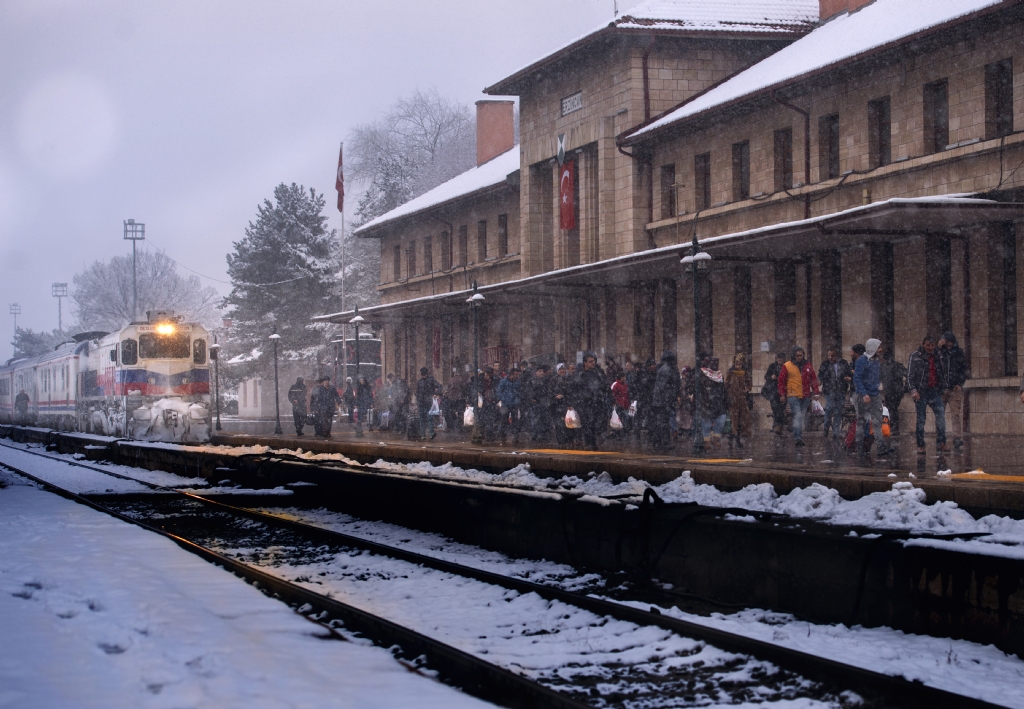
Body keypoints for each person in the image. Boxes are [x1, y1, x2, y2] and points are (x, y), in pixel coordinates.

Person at [907, 336, 948, 455]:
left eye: (932, 345)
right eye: (928, 345)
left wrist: (943, 387)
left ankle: (941, 442)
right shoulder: (915, 356)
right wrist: (913, 390)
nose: (930, 348)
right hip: (921, 392)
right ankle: (920, 445)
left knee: (941, 418)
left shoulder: (938, 355)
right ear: (923, 344)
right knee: (921, 419)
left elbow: (942, 371)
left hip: (934, 391)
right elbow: (910, 375)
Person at [853, 339, 893, 456]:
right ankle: (859, 446)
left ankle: (881, 446)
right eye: (878, 347)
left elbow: (875, 377)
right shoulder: (862, 361)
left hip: (874, 394)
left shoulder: (876, 361)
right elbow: (857, 378)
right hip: (862, 395)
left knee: (877, 421)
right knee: (861, 420)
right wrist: (864, 393)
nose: (880, 350)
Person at [777, 347, 819, 447]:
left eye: (801, 355)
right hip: (793, 394)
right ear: (793, 356)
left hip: (805, 395)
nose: (799, 357)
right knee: (798, 415)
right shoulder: (787, 366)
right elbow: (781, 381)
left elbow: (813, 379)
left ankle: (798, 436)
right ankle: (798, 438)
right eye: (797, 355)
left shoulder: (807, 365)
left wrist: (816, 391)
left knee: (800, 416)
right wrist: (782, 394)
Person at [574, 351, 610, 451]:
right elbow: (574, 388)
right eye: (590, 361)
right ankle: (588, 443)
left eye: (593, 361)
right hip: (584, 403)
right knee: (587, 424)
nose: (593, 363)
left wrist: (608, 397)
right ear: (585, 363)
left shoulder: (598, 372)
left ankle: (593, 443)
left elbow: (605, 385)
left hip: (597, 403)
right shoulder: (580, 374)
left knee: (595, 424)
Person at [939, 332, 968, 450]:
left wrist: (960, 383)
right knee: (940, 415)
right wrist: (939, 347)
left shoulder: (958, 353)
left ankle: (956, 438)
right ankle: (940, 438)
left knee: (955, 414)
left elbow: (964, 369)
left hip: (954, 388)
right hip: (941, 388)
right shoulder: (940, 352)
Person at [649, 351, 681, 450]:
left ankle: (657, 441)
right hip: (663, 402)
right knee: (663, 423)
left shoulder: (667, 369)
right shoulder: (667, 370)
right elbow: (664, 387)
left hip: (662, 401)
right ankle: (663, 442)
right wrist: (670, 399)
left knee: (662, 422)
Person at [817, 348, 851, 439]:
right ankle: (826, 428)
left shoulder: (843, 363)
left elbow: (848, 373)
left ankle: (836, 432)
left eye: (832, 356)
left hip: (841, 390)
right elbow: (820, 375)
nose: (830, 357)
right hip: (829, 390)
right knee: (829, 408)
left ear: (837, 356)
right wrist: (819, 381)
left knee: (838, 411)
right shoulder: (825, 364)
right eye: (829, 355)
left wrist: (847, 379)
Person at [696, 355, 727, 448]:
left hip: (718, 402)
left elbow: (723, 388)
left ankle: (715, 438)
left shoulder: (719, 375)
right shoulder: (701, 374)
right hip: (707, 403)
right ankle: (706, 441)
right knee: (706, 422)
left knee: (721, 419)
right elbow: (695, 387)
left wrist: (725, 398)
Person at [725, 353, 752, 447]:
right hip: (733, 400)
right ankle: (731, 438)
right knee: (733, 420)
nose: (738, 366)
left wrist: (747, 388)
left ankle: (738, 439)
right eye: (736, 364)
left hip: (742, 400)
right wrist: (729, 396)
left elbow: (749, 384)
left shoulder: (745, 373)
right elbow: (726, 385)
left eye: (740, 364)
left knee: (742, 420)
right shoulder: (730, 373)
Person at [879, 352, 908, 437]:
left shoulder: (883, 366)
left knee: (891, 409)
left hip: (889, 390)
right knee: (893, 409)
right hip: (898, 391)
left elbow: (878, 377)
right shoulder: (898, 365)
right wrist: (904, 388)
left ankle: (893, 427)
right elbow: (907, 374)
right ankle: (895, 428)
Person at [524, 364, 552, 442]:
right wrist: (531, 398)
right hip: (535, 402)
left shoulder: (546, 380)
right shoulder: (531, 381)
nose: (541, 373)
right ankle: (535, 434)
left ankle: (543, 435)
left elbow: (548, 390)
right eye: (539, 371)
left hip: (543, 401)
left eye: (542, 371)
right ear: (536, 372)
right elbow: (528, 391)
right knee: (535, 419)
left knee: (544, 419)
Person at [496, 367, 523, 445]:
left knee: (515, 421)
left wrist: (518, 400)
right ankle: (503, 437)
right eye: (515, 374)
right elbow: (499, 391)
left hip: (514, 404)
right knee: (504, 420)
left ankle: (515, 437)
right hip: (505, 404)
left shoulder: (518, 382)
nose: (517, 376)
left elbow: (520, 392)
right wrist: (503, 399)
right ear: (511, 374)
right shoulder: (503, 382)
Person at [552, 363, 577, 447]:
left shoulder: (570, 379)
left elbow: (573, 392)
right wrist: (555, 396)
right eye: (560, 369)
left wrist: (568, 400)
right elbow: (550, 393)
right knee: (559, 425)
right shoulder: (553, 380)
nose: (562, 371)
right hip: (557, 406)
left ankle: (569, 440)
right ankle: (561, 441)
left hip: (567, 405)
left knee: (569, 424)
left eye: (563, 369)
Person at [763, 353, 787, 435]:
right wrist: (771, 377)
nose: (779, 361)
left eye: (781, 359)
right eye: (778, 359)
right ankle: (778, 425)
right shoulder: (772, 366)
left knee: (781, 409)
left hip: (783, 391)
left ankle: (779, 425)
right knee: (775, 409)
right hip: (773, 391)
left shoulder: (786, 367)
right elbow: (766, 376)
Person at [415, 367, 441, 440]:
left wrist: (418, 401)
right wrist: (436, 393)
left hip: (423, 403)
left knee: (423, 419)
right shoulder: (431, 380)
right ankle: (430, 433)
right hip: (427, 403)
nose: (423, 376)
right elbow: (439, 386)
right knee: (429, 419)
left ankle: (423, 435)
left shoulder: (419, 382)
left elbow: (416, 393)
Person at [442, 368, 469, 433]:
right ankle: (459, 427)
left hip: (451, 399)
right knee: (460, 412)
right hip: (460, 398)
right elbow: (465, 388)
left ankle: (451, 426)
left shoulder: (450, 380)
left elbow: (447, 389)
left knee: (451, 412)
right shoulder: (462, 380)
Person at [610, 371, 631, 437]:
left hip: (624, 404)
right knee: (617, 419)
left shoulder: (625, 385)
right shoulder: (615, 384)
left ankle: (622, 432)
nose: (625, 378)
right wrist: (614, 402)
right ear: (621, 377)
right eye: (624, 377)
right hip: (618, 404)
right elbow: (611, 394)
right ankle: (616, 433)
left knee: (625, 418)